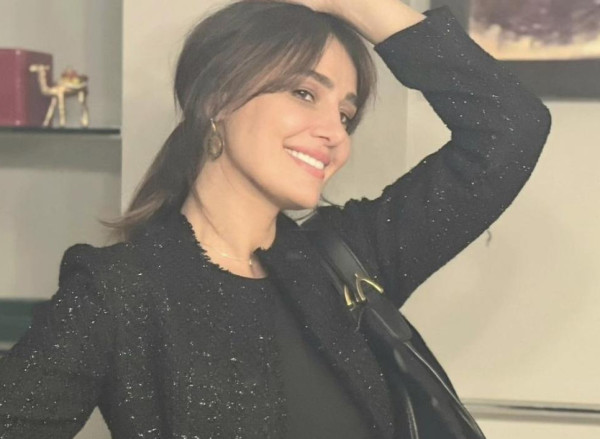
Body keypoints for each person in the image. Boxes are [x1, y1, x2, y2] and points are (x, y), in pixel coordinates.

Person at [0, 0, 551, 438]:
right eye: (304, 93)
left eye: (345, 114)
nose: (334, 134)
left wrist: (351, 5)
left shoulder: (350, 260)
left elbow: (511, 128)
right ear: (219, 97)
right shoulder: (119, 292)